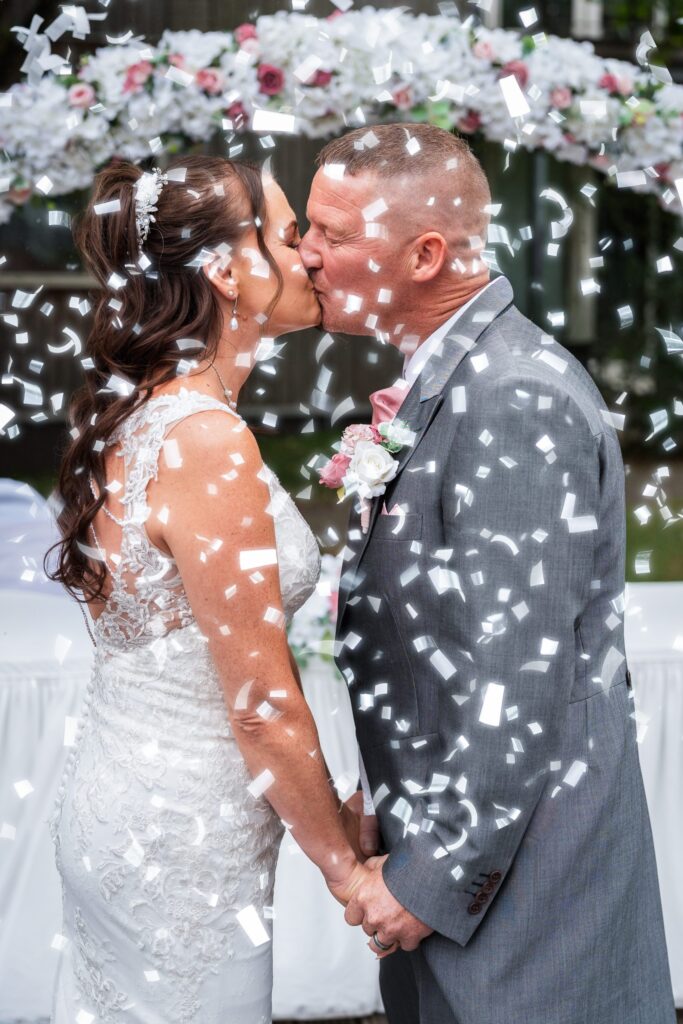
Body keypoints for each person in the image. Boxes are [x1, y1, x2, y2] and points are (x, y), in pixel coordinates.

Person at [300, 123, 676, 1023]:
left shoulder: (510, 396)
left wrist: (430, 881)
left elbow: (520, 681)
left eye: (333, 234)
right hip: (474, 857)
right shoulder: (451, 375)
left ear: (424, 253)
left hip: (529, 899)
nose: (304, 253)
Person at [46, 155, 375, 1024]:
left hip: (130, 801)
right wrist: (345, 867)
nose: (308, 252)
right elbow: (259, 701)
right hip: (183, 845)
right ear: (227, 273)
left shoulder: (144, 412)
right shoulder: (204, 440)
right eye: (286, 234)